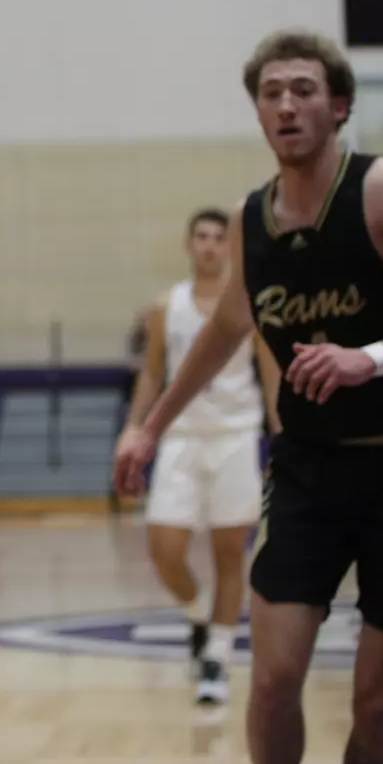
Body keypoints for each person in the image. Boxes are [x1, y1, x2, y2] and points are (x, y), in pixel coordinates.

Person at [113, 30, 383, 764]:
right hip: (309, 473)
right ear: (257, 112)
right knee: (274, 681)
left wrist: (370, 359)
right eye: (271, 92)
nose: (286, 105)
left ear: (339, 106)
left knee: (377, 703)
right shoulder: (251, 220)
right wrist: (148, 430)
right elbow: (222, 334)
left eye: (304, 90)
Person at [115, 206, 282, 705]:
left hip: (235, 434)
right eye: (201, 237)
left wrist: (283, 438)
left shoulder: (251, 304)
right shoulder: (168, 307)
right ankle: (198, 613)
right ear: (189, 245)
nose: (209, 245)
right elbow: (152, 374)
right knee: (164, 549)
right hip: (182, 437)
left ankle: (218, 656)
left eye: (218, 237)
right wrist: (133, 428)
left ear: (229, 246)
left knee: (231, 553)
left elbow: (270, 374)